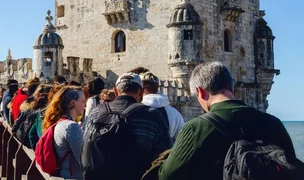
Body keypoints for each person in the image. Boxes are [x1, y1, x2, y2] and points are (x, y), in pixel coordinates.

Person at [158, 62, 301, 180]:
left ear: (200, 91)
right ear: (231, 87)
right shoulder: (273, 123)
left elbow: (167, 176)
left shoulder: (197, 128)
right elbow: (291, 168)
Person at [82, 72, 172, 180]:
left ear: (115, 91)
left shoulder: (96, 112)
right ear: (142, 92)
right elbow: (166, 154)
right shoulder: (151, 115)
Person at [41, 86, 86, 180]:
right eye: (82, 101)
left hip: (62, 174)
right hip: (73, 177)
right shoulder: (71, 127)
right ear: (73, 103)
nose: (85, 105)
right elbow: (84, 161)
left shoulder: (59, 122)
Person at [140, 71, 185, 142]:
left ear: (141, 88)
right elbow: (182, 138)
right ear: (157, 87)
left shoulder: (137, 111)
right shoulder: (174, 113)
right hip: (167, 151)